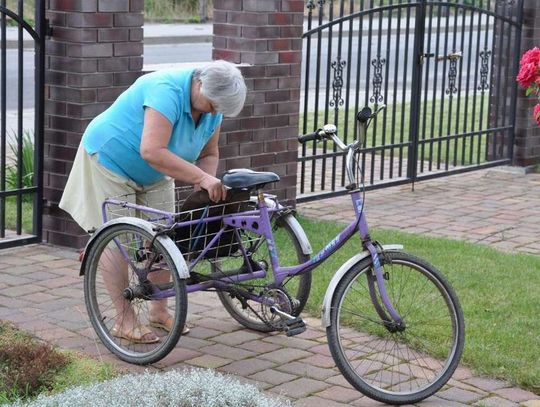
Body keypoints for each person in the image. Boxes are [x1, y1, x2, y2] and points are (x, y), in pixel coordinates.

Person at [59, 60, 247, 343]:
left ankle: (159, 312)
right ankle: (124, 320)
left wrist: (204, 184)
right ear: (199, 85)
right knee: (115, 239)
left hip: (157, 172)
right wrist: (203, 178)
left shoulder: (212, 107)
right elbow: (151, 149)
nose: (215, 112)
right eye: (213, 104)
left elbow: (209, 153)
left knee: (163, 237)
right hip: (110, 160)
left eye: (220, 109)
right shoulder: (166, 91)